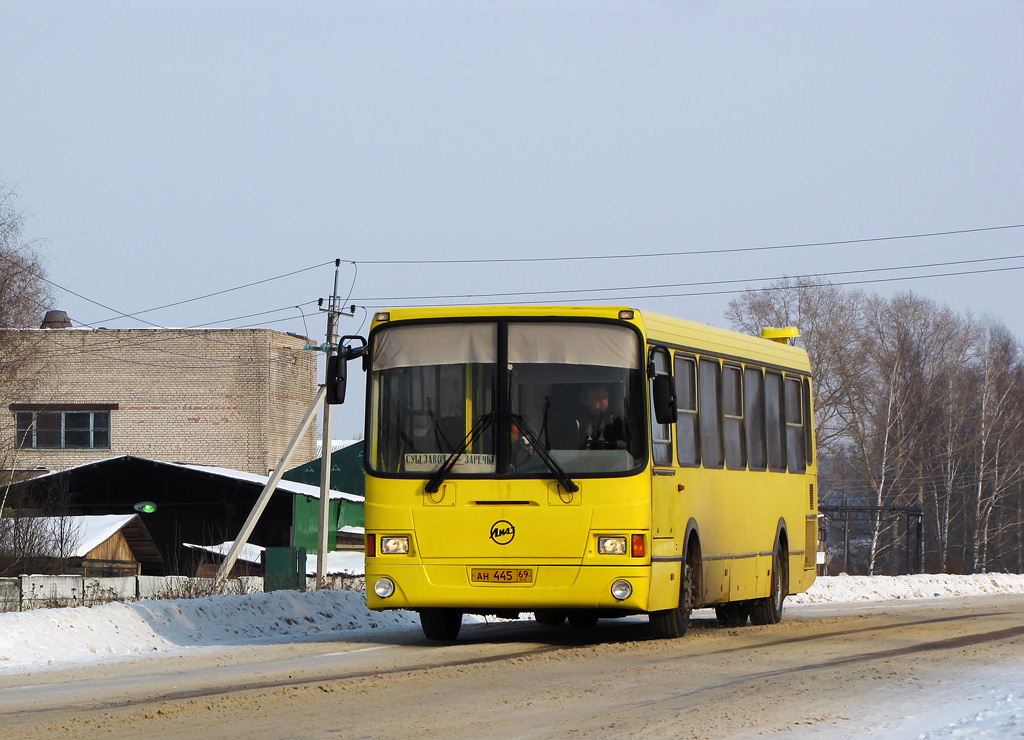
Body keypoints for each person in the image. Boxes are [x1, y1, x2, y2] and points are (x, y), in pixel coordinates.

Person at [577, 385, 628, 450]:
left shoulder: (617, 418)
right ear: (588, 400)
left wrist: (621, 443)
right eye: (597, 397)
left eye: (604, 397)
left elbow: (627, 443)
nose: (602, 400)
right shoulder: (581, 419)